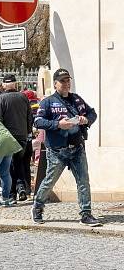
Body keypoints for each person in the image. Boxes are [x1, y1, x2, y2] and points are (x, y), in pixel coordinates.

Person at [31, 68, 100, 226]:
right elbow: (38, 121)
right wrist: (58, 125)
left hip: (77, 148)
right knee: (49, 181)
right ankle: (38, 207)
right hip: (57, 151)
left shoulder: (77, 99)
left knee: (83, 181)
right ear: (55, 84)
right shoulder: (48, 102)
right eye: (62, 81)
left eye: (68, 80)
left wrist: (85, 120)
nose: (66, 84)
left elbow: (92, 113)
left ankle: (86, 213)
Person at [0, 74, 34, 202]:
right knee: (18, 162)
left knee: (9, 166)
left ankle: (11, 194)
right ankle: (21, 188)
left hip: (7, 136)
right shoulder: (23, 97)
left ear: (4, 85)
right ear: (15, 84)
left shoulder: (1, 99)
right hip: (22, 136)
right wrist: (28, 132)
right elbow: (29, 117)